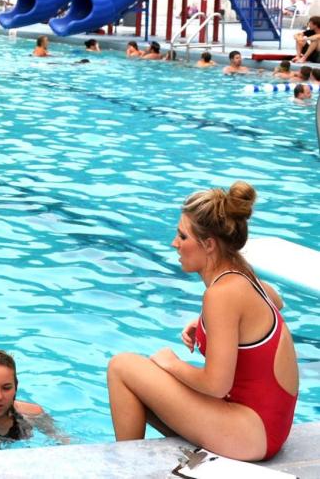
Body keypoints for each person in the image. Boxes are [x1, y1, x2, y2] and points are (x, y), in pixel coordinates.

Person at [106, 182, 298, 461]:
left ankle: (125, 470)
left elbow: (216, 385)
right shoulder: (240, 271)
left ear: (208, 244)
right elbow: (274, 301)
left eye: (182, 236)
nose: (175, 243)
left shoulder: (220, 295)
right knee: (139, 393)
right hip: (269, 427)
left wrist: (172, 364)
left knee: (122, 367)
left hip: (251, 434)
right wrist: (207, 323)